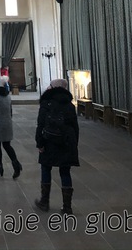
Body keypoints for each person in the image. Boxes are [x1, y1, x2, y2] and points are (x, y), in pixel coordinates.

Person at [34, 78, 79, 215]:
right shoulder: (70, 105)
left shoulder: (46, 103)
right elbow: (75, 127)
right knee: (65, 172)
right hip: (66, 142)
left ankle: (44, 202)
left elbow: (40, 125)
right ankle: (67, 207)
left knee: (45, 168)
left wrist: (39, 143)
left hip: (49, 141)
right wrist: (74, 144)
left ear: (53, 88)